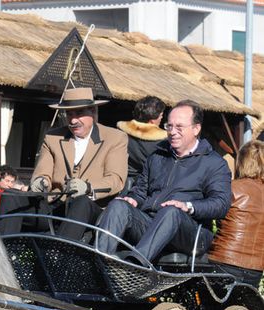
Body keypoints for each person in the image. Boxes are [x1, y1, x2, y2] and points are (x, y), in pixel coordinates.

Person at [95, 100, 231, 263]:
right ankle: (99, 263)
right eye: (169, 126)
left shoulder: (214, 163)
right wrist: (133, 199)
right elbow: (140, 191)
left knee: (172, 211)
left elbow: (221, 204)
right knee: (119, 205)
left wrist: (188, 207)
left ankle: (135, 266)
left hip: (191, 233)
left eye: (179, 127)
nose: (172, 132)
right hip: (151, 223)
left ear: (196, 129)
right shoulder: (157, 156)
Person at [0, 87, 128, 240]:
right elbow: (42, 172)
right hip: (54, 206)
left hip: (91, 209)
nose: (72, 120)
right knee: (11, 195)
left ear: (93, 111)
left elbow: (116, 179)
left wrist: (88, 187)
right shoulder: (52, 137)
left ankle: (59, 256)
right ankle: (2, 254)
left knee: (82, 202)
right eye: (69, 114)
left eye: (78, 113)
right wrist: (41, 181)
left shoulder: (115, 138)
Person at [208, 141, 264, 287]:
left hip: (224, 259)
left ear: (241, 162)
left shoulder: (230, 187)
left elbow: (212, 214)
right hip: (255, 268)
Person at [116, 96, 167, 189]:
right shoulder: (163, 141)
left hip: (120, 179)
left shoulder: (120, 130)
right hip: (145, 185)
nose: (162, 118)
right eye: (161, 115)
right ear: (152, 121)